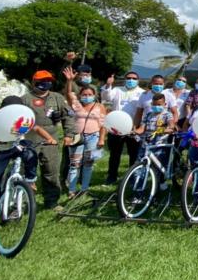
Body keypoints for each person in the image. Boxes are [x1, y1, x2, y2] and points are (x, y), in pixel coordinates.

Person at [0, 96, 57, 223]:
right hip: (0, 150)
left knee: (30, 153)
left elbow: (36, 128)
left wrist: (49, 138)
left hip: (18, 146)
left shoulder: (23, 118)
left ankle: (30, 180)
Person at [21, 70, 73, 210]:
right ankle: (22, 202)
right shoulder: (25, 99)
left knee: (51, 170)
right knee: (25, 170)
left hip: (50, 139)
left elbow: (68, 116)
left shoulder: (57, 98)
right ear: (34, 82)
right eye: (42, 80)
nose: (46, 83)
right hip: (29, 138)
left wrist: (69, 134)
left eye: (49, 80)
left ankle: (52, 201)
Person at [63, 67, 106, 198]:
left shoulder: (100, 107)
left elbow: (103, 125)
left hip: (93, 137)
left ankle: (84, 188)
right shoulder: (77, 105)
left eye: (89, 95)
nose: (87, 97)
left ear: (94, 95)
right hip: (77, 137)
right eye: (84, 95)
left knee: (88, 164)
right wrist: (69, 81)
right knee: (74, 164)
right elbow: (68, 94)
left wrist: (101, 139)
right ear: (80, 95)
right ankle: (71, 190)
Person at [101, 71, 145, 185]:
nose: (131, 80)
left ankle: (131, 177)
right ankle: (111, 176)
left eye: (134, 78)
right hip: (116, 127)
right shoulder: (117, 90)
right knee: (115, 153)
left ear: (138, 80)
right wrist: (108, 85)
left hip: (133, 128)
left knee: (134, 154)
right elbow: (106, 97)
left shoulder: (142, 93)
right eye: (129, 78)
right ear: (125, 79)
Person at [133, 93, 176, 192]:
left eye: (159, 104)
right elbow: (142, 129)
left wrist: (161, 130)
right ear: (152, 104)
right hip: (146, 145)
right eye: (155, 104)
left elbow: (171, 128)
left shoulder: (167, 115)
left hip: (159, 146)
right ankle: (138, 191)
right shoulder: (148, 115)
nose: (157, 106)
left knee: (158, 169)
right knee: (139, 169)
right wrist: (134, 131)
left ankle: (156, 190)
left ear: (165, 104)